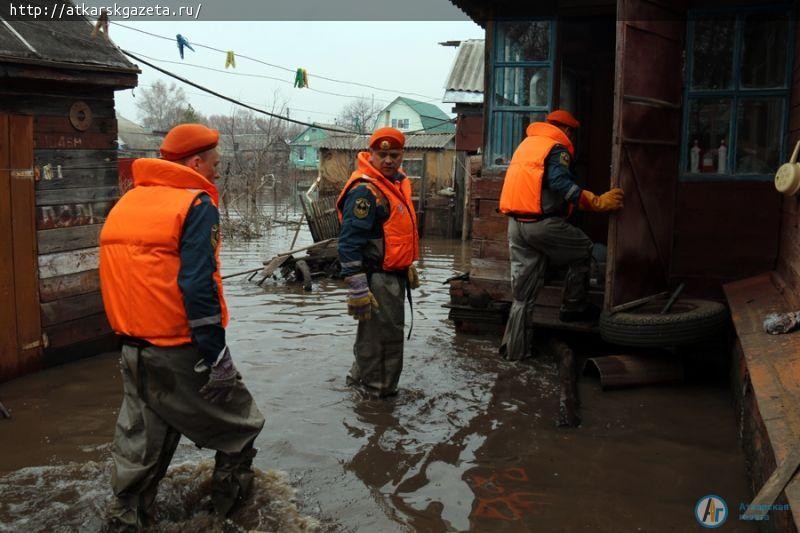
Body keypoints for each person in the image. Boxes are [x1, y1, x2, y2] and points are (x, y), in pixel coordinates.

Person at [99, 123, 265, 530]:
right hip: (178, 349)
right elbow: (197, 285)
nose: (217, 172)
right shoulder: (195, 205)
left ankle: (126, 522)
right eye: (215, 164)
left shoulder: (129, 201)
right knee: (242, 426)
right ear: (195, 162)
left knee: (142, 448)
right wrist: (216, 355)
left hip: (132, 348)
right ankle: (230, 516)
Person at [497, 110, 624, 361]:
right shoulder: (556, 148)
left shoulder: (527, 144)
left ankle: (514, 352)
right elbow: (560, 184)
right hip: (541, 224)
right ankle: (573, 307)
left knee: (523, 295)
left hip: (515, 225)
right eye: (572, 134)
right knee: (584, 249)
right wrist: (596, 201)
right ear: (567, 131)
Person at [336, 127, 420, 398]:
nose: (388, 160)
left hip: (391, 275)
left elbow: (392, 234)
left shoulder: (393, 185)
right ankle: (379, 399)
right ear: (370, 154)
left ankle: (358, 385)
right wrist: (358, 287)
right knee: (385, 341)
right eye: (382, 154)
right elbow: (349, 243)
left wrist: (405, 264)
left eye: (394, 155)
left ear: (402, 156)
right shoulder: (365, 192)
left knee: (373, 336)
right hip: (377, 280)